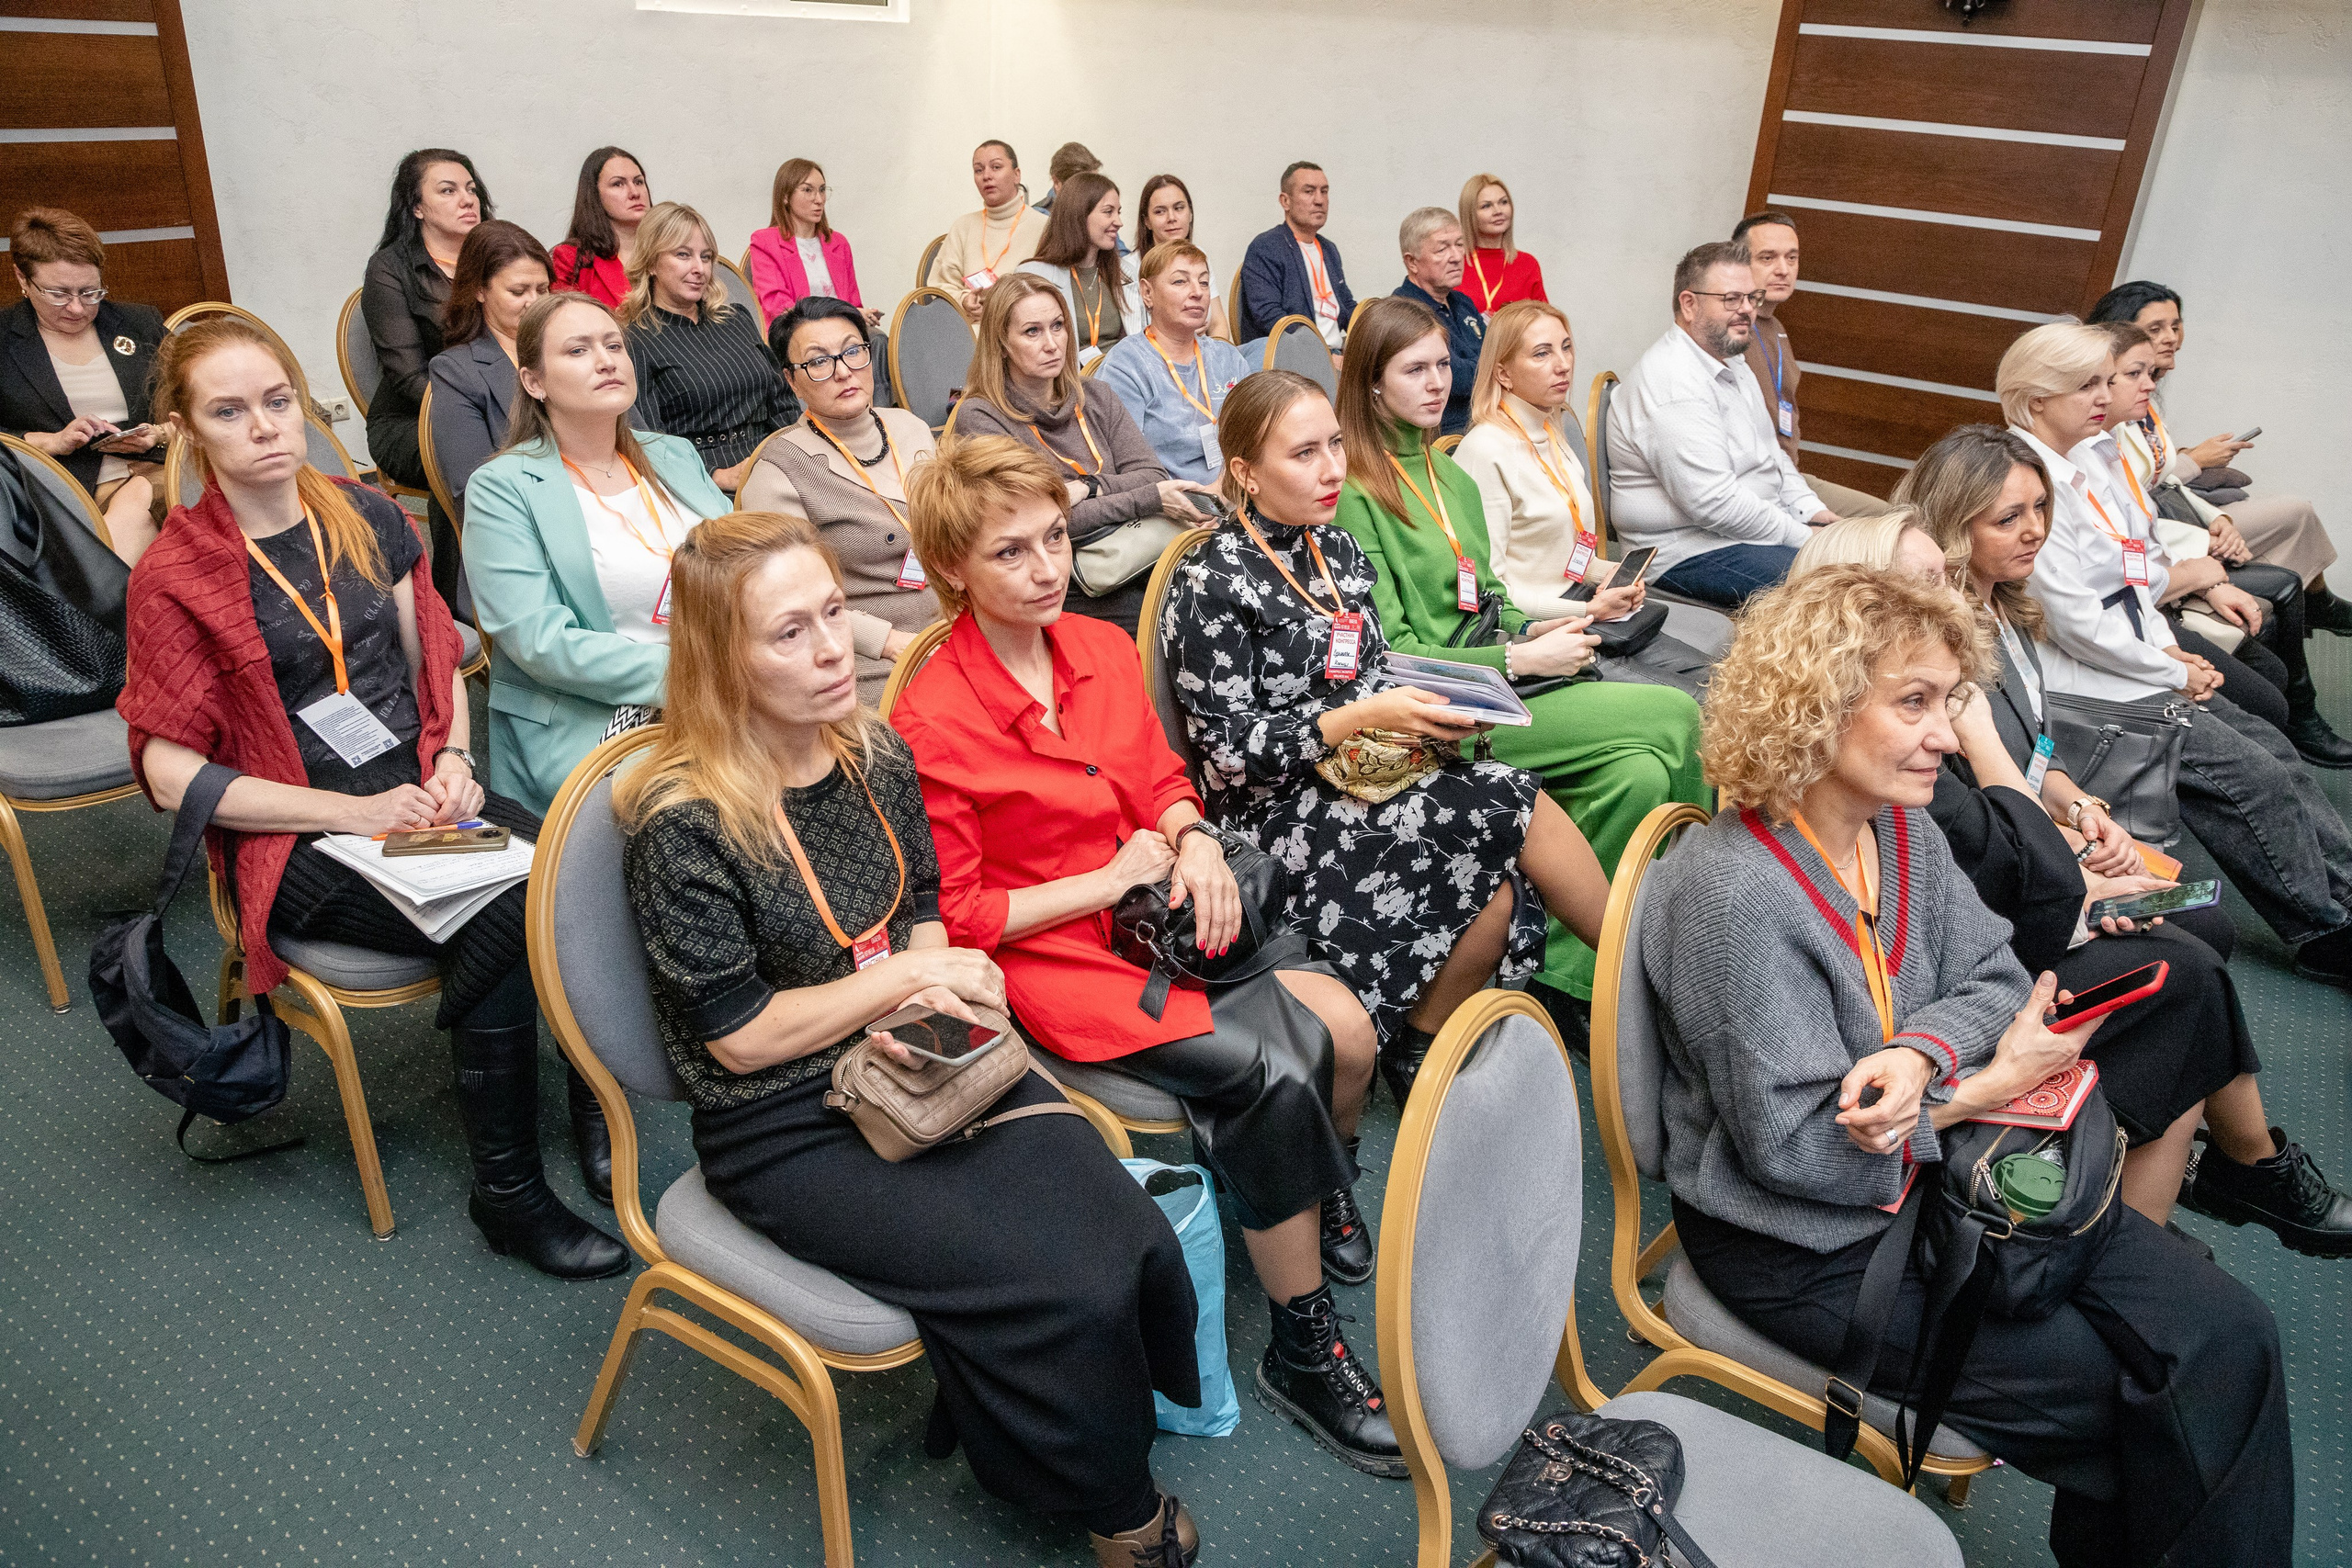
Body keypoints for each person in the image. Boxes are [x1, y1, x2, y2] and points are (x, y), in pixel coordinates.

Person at [1649, 562, 2293, 1567]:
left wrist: (1916, 1055)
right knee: (2156, 1409)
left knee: (2234, 1335)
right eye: (1914, 704)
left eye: (1946, 703)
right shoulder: (1731, 900)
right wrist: (1978, 1089)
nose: (1948, 738)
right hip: (1805, 1241)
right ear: (1813, 706)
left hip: (1932, 1177)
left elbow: (1996, 977)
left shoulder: (1896, 829)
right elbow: (1799, 1157)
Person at [616, 509, 1204, 1567]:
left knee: (1124, 1229)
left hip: (914, 1051)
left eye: (835, 613)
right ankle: (1122, 1516)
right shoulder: (685, 824)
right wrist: (911, 974)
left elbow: (921, 899)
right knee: (1054, 1282)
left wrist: (936, 1002)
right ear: (721, 659)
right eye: (788, 633)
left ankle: (1019, 1421)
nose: (834, 647)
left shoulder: (872, 751)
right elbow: (741, 1040)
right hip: (781, 1123)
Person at [891, 432, 1396, 1483]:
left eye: (1052, 542)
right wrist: (1114, 877)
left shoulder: (1098, 649)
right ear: (952, 569)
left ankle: (1318, 1180)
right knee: (1269, 1072)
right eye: (1011, 555)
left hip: (1158, 904)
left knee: (1347, 1027)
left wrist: (1196, 839)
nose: (1047, 570)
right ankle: (1301, 1346)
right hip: (1058, 956)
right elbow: (967, 914)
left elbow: (1159, 777)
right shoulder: (931, 717)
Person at [119, 314, 625, 1280]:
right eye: (231, 411)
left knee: (582, 862)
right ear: (189, 428)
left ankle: (594, 1113)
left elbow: (434, 663)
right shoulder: (175, 574)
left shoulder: (361, 511)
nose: (267, 427)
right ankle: (509, 1194)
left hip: (420, 802)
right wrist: (350, 815)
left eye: (278, 401)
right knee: (508, 912)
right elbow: (168, 774)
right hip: (300, 836)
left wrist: (454, 761)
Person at [1892, 432, 2352, 1254]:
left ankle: (2177, 1196)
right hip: (1997, 908)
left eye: (2039, 508)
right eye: (2010, 517)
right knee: (2191, 964)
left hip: (2031, 851)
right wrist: (2073, 871)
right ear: (1958, 529)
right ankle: (2250, 1165)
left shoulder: (2006, 610)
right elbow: (1991, 838)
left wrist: (2081, 808)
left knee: (2199, 926)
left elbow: (2035, 754)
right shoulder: (1934, 685)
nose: (2034, 529)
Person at [1165, 368, 1623, 1107]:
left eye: (1336, 444)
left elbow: (1373, 664)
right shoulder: (1212, 577)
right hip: (1276, 809)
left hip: (1371, 768)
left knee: (1500, 885)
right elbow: (1224, 754)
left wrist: (1438, 704)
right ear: (1245, 473)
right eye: (1304, 453)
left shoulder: (1335, 548)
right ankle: (1640, 983)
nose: (1333, 467)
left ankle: (1419, 1041)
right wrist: (1359, 718)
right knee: (1506, 804)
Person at [1331, 299, 1708, 1035]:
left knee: (1638, 775)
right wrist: (1520, 653)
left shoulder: (1452, 478)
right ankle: (1691, 939)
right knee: (1680, 714)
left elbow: (1493, 597)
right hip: (1448, 707)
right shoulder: (1355, 492)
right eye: (1414, 369)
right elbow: (1392, 650)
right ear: (1372, 385)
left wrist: (1567, 619)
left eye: (1443, 364)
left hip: (1511, 677)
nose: (1437, 382)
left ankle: (1566, 975)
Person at [2001, 323, 2352, 984]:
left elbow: (2137, 577)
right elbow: (2073, 621)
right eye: (2089, 385)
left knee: (2275, 750)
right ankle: (2324, 929)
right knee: (2254, 777)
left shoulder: (2093, 457)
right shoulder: (2027, 478)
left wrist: (2171, 651)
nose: (2107, 397)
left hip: (2139, 657)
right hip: (2088, 686)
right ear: (2036, 398)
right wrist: (2171, 667)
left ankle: (2347, 894)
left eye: (2108, 381)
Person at [462, 292, 729, 816]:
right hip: (597, 713)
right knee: (716, 801)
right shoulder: (502, 486)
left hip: (722, 682)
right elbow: (540, 642)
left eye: (613, 345)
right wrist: (694, 673)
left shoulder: (670, 454)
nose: (606, 360)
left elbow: (749, 565)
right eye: (579, 350)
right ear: (534, 382)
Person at [2097, 319, 2348, 763]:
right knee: (2280, 603)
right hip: (2145, 598)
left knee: (2270, 668)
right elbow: (2111, 573)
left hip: (2161, 571)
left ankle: (2315, 625)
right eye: (2135, 372)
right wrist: (2197, 580)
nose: (2149, 382)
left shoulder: (2119, 435)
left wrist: (2215, 531)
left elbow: (2150, 514)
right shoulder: (2087, 457)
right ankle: (2301, 718)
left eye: (2176, 325)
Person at [1450, 302, 1711, 694]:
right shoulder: (1486, 450)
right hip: (1543, 635)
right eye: (1542, 353)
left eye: (1566, 347)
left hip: (1588, 612)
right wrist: (1587, 609)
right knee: (1702, 704)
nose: (1563, 364)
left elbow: (1566, 555)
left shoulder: (1553, 430)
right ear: (1503, 372)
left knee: (1732, 684)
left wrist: (1606, 575)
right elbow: (1494, 591)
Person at [946, 273, 1214, 633]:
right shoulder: (981, 417)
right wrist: (1145, 499)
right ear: (1001, 343)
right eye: (1032, 332)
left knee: (1219, 587)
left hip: (1142, 547)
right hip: (1060, 577)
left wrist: (1087, 488)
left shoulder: (1096, 395)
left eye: (1058, 326)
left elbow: (1151, 475)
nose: (1052, 344)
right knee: (1178, 618)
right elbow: (1040, 523)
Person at [2087, 278, 2350, 633]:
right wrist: (2197, 462)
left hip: (2177, 514)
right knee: (2284, 554)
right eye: (2156, 328)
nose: (2171, 337)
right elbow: (2134, 498)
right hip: (2160, 531)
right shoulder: (2105, 409)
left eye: (2176, 326)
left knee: (2296, 513)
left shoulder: (2145, 399)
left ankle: (2310, 604)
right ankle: (2273, 604)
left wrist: (2217, 518)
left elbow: (2162, 480)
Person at [1607, 242, 1836, 608]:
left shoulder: (1731, 360)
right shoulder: (1674, 381)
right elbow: (1713, 504)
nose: (1747, 309)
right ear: (1689, 304)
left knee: (1862, 564)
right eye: (1731, 299)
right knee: (1839, 588)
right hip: (1686, 552)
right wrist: (1805, 537)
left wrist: (1813, 511)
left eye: (1751, 297)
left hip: (1740, 534)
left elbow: (1772, 457)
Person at [740, 297, 938, 707]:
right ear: (792, 382)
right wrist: (891, 643)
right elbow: (791, 602)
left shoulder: (912, 428)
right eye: (818, 362)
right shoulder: (779, 470)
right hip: (868, 658)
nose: (843, 371)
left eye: (853, 351)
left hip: (954, 628)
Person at [0, 207, 164, 562]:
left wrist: (158, 433)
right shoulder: (3, 340)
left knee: (137, 512)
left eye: (90, 293)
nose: (77, 308)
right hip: (64, 489)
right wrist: (47, 442)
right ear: (22, 279)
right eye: (59, 294)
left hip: (159, 467)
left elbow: (198, 400)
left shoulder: (138, 323)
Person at [1729, 209, 1898, 519]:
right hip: (1754, 486)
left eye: (1791, 258)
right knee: (1880, 528)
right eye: (1768, 258)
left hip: (1788, 477)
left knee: (1891, 519)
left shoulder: (1776, 327)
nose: (1783, 269)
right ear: (1739, 265)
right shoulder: (1729, 329)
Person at [618, 202, 798, 491]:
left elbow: (782, 401)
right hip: (703, 476)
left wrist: (798, 451)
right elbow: (648, 439)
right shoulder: (635, 340)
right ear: (651, 263)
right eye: (682, 255)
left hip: (774, 459)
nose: (699, 269)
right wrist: (715, 475)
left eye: (706, 257)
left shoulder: (736, 318)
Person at [361, 149, 490, 502]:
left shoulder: (498, 258)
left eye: (471, 189)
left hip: (502, 404)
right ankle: (461, 560)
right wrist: (482, 411)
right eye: (448, 191)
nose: (467, 200)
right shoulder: (389, 269)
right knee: (474, 450)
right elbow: (408, 378)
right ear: (417, 207)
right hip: (414, 420)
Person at [1095, 243, 1252, 487]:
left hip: (1236, 490)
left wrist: (1224, 490)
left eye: (1204, 282)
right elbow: (1124, 464)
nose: (1197, 292)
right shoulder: (1126, 365)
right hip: (1166, 503)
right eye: (1180, 282)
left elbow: (1252, 441)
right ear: (1147, 293)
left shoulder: (1228, 358)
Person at [424, 220, 549, 525]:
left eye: (543, 289)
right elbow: (475, 490)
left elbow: (633, 436)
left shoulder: (573, 349)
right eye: (518, 291)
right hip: (520, 526)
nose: (534, 302)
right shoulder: (456, 372)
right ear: (480, 290)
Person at [1018, 172, 1141, 365]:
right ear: (1079, 214)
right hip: (1065, 385)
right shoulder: (1034, 276)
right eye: (1108, 212)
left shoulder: (1127, 273)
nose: (1118, 222)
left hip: (1121, 382)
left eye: (1118, 212)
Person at [744, 158, 881, 329]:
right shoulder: (765, 242)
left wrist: (863, 314)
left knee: (878, 340)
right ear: (786, 196)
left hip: (842, 332)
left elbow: (854, 302)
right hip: (797, 332)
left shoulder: (839, 243)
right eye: (808, 190)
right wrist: (840, 314)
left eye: (822, 190)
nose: (819, 199)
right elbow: (779, 307)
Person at [1388, 208, 1485, 437]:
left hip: (1483, 422)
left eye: (1459, 245)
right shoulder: (1405, 311)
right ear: (1412, 262)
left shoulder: (1462, 302)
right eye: (1442, 248)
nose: (1456, 256)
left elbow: (1499, 355)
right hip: (1444, 433)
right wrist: (1492, 369)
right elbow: (1454, 378)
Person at [1237, 163, 1354, 347]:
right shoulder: (1266, 247)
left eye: (1324, 191)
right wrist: (1323, 356)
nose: (1319, 200)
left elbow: (1346, 306)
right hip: (1296, 358)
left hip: (1338, 352)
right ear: (1285, 201)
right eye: (1309, 191)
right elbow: (1270, 317)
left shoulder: (1329, 249)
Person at [929, 140, 1047, 323]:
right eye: (979, 170)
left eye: (996, 167)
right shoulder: (963, 226)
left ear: (1017, 175)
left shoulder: (1044, 226)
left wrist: (1000, 311)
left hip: (1024, 328)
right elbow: (940, 286)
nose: (986, 176)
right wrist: (963, 301)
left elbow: (1050, 291)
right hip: (969, 329)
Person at [548, 147, 647, 310]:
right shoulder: (571, 259)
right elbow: (563, 322)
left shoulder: (668, 252)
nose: (634, 192)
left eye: (638, 182)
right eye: (618, 184)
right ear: (594, 195)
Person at [1133, 175, 1229, 341]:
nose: (1172, 218)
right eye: (1160, 211)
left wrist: (1219, 358)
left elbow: (1218, 324)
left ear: (1190, 214)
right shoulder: (1129, 267)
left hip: (1202, 354)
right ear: (1147, 221)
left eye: (1179, 208)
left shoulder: (1199, 257)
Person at [1456, 174, 1545, 314]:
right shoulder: (1455, 263)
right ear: (1470, 214)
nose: (1498, 211)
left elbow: (1544, 322)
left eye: (1503, 202)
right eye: (1486, 206)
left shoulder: (1527, 264)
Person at [1036, 141, 1101, 215]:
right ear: (1057, 183)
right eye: (1082, 187)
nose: (1091, 194)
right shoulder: (1040, 217)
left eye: (1095, 186)